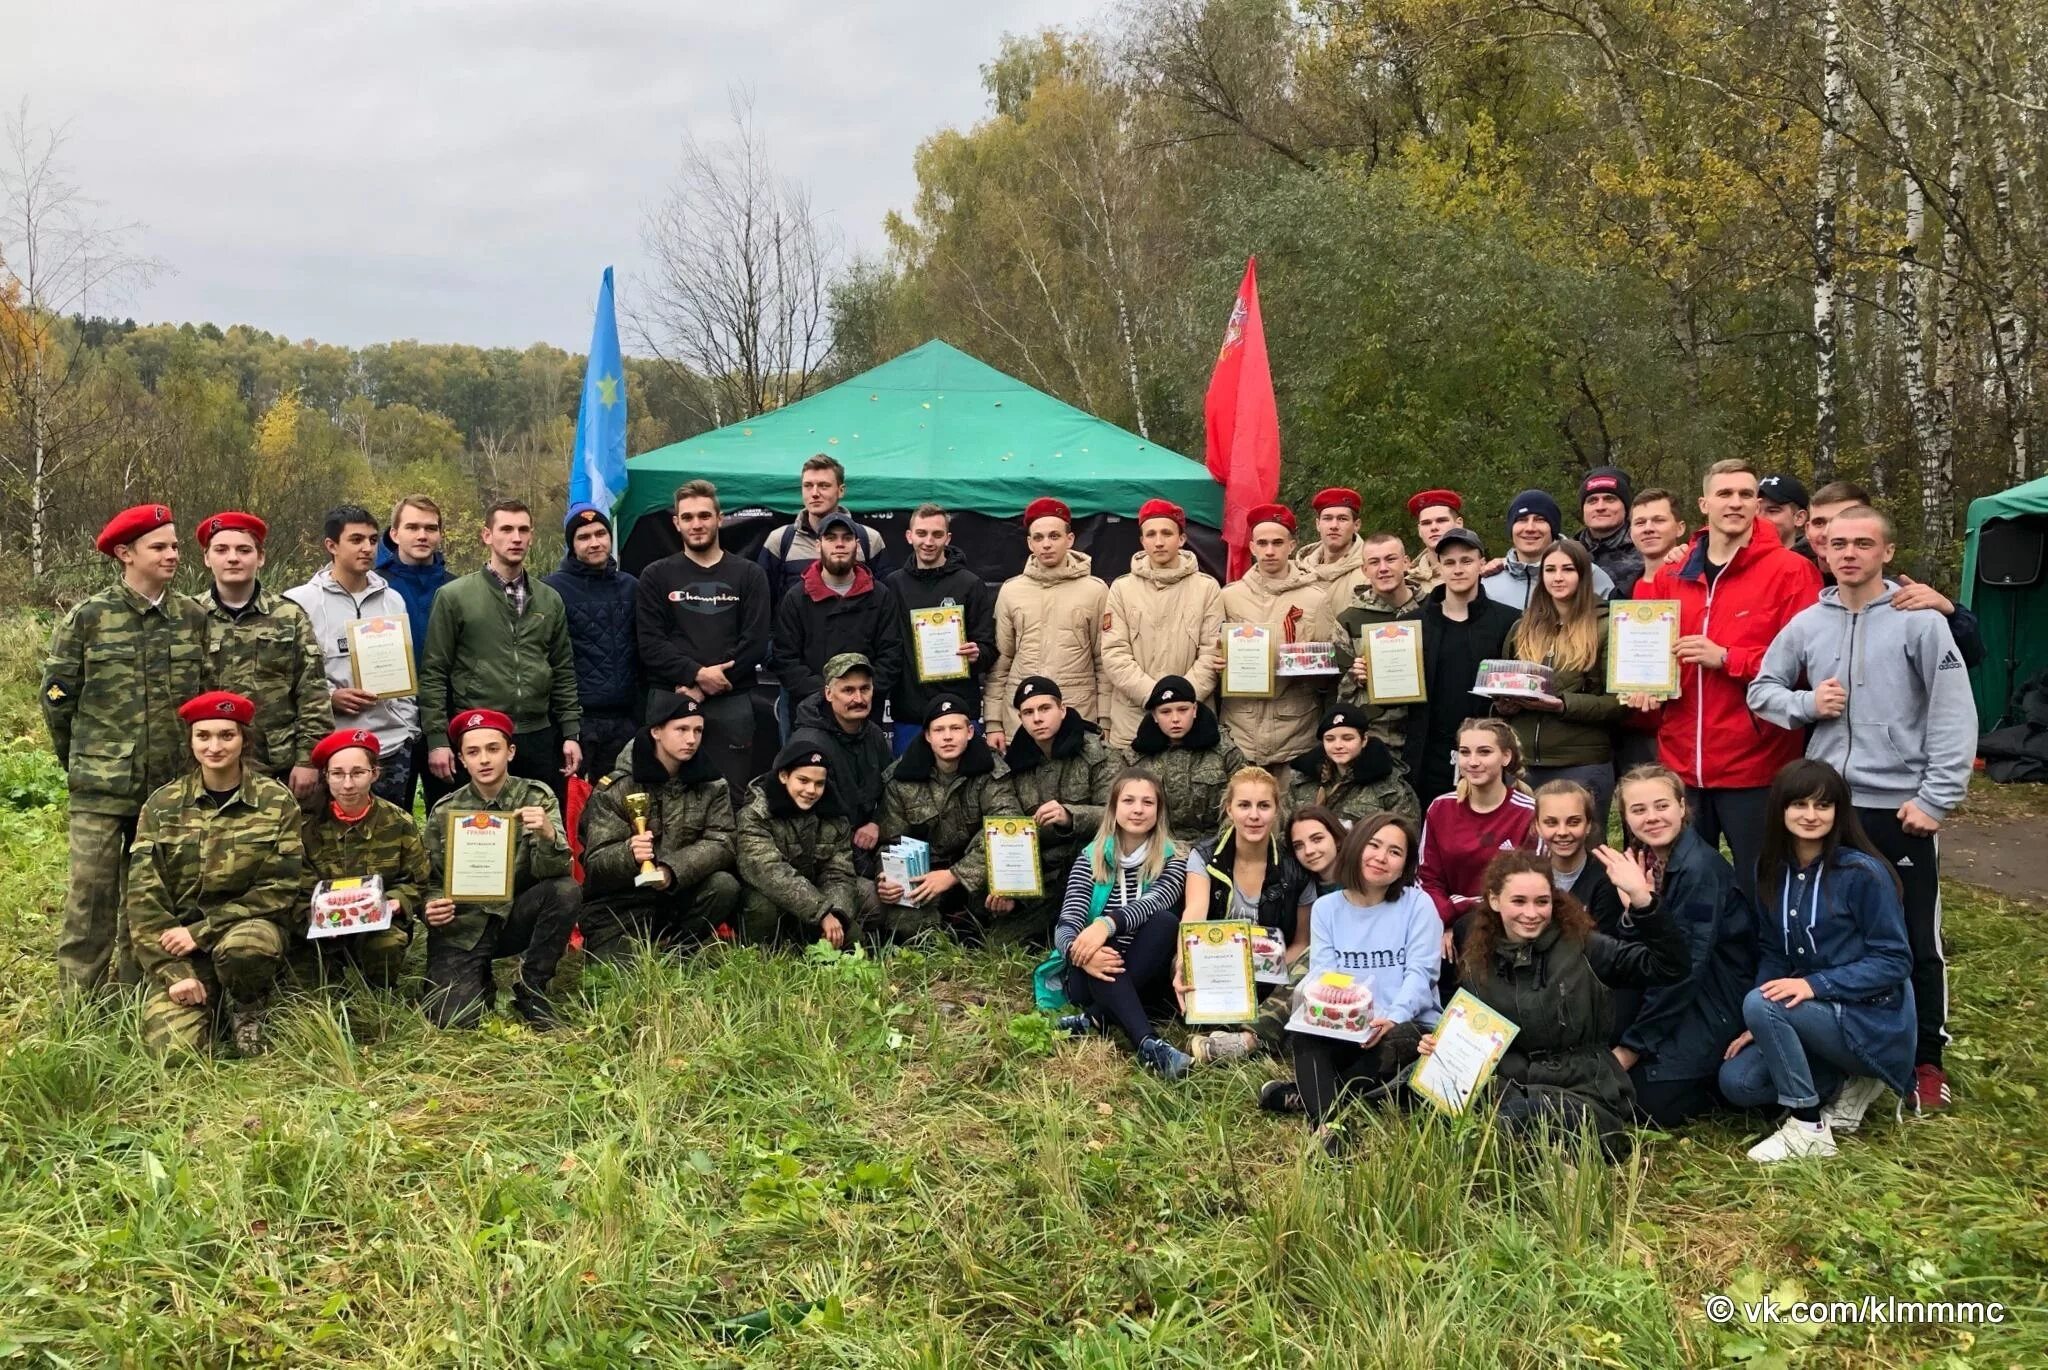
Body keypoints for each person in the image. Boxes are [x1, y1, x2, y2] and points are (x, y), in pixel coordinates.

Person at [1748, 504, 1976, 1112]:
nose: (1848, 554)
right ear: (1823, 552)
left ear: (1887, 552)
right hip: (1828, 805)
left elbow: (1955, 712)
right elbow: (1761, 689)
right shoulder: (1807, 622)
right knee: (1835, 929)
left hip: (1899, 808)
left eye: (1863, 544)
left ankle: (1925, 1060)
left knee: (1913, 936)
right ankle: (1847, 1046)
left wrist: (1936, 798)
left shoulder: (1920, 622)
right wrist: (1806, 703)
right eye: (1838, 544)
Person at [1625, 459, 1822, 896]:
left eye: (1745, 495)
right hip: (1680, 764)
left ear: (1757, 504)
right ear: (1704, 503)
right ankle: (1692, 965)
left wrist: (1729, 658)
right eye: (1725, 494)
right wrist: (1642, 686)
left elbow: (1806, 665)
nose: (1735, 503)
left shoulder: (1790, 571)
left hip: (1755, 764)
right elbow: (1650, 655)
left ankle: (1762, 964)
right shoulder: (1673, 574)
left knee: (1761, 884)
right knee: (1681, 886)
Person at [42, 504, 212, 992]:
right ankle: (79, 1004)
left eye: (175, 545)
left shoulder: (191, 617)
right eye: (159, 546)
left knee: (152, 895)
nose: (173, 555)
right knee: (91, 896)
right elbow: (57, 695)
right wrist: (77, 758)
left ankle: (146, 993)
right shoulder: (90, 618)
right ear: (125, 553)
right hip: (99, 788)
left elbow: (202, 696)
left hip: (166, 787)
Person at [1719, 759, 1916, 1161]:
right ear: (1780, 810)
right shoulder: (1768, 869)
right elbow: (1774, 950)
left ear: (1839, 812)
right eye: (1800, 805)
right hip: (1809, 1014)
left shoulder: (1863, 873)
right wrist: (1760, 1023)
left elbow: (1895, 961)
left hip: (1872, 1016)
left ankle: (1808, 1125)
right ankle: (1849, 1083)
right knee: (1738, 1083)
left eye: (1822, 806)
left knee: (1764, 1003)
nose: (1810, 816)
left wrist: (1811, 986)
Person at [1429, 849, 1685, 1158]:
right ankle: (1542, 1162)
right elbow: (1473, 1035)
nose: (1531, 913)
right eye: (1519, 901)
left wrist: (1644, 902)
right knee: (1434, 1095)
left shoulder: (1584, 947)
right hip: (1509, 1088)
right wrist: (1441, 1047)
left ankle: (1557, 1160)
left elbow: (1670, 967)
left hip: (1584, 1093)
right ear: (1495, 901)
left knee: (1514, 1122)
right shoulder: (1477, 957)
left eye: (1542, 901)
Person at [125, 691, 301, 1056]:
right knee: (172, 1052)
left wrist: (202, 931)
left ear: (244, 740)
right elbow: (144, 899)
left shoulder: (276, 802)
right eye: (203, 736)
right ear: (190, 742)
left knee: (246, 949)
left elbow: (280, 888)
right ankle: (206, 997)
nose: (215, 746)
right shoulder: (161, 806)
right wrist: (174, 973)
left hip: (245, 932)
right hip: (177, 946)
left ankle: (247, 1006)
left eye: (226, 735)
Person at [1266, 815, 1442, 1150]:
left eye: (1395, 852)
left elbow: (1421, 974)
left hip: (1405, 1024)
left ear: (1404, 864)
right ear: (1357, 845)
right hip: (1348, 1025)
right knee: (1305, 1030)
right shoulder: (1326, 908)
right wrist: (1338, 1017)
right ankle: (1332, 1128)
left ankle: (1307, 1095)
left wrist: (1391, 1017)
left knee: (1400, 1040)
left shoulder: (1418, 905)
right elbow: (1324, 975)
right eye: (1374, 845)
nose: (1381, 857)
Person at [1612, 764, 1756, 1127]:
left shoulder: (1699, 870)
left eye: (1661, 806)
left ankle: (1718, 1078)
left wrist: (1632, 1047)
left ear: (1681, 806)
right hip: (1672, 991)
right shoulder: (1645, 862)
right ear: (1626, 818)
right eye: (1639, 810)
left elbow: (1684, 968)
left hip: (1714, 997)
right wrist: (1635, 910)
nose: (1652, 818)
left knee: (1641, 1105)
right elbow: (1637, 950)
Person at [422, 709, 581, 1029]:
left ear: (510, 751)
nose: (484, 759)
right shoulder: (445, 811)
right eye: (473, 751)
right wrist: (429, 906)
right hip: (463, 925)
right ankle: (476, 977)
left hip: (514, 916)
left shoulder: (536, 796)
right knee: (455, 1021)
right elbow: (429, 879)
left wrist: (548, 835)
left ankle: (532, 987)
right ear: (462, 759)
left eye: (493, 749)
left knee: (565, 891)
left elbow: (557, 871)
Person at [421, 500, 582, 801]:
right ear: (487, 535)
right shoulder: (455, 596)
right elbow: (434, 672)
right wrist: (437, 738)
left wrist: (571, 732)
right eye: (506, 529)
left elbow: (562, 668)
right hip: (479, 732)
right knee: (482, 832)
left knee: (539, 827)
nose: (516, 538)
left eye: (523, 530)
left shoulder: (549, 599)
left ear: (532, 536)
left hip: (538, 733)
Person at [577, 693, 741, 962]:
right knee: (614, 982)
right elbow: (595, 863)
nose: (691, 739)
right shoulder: (617, 787)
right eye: (681, 729)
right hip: (622, 902)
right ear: (656, 731)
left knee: (723, 885)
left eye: (698, 730)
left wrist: (672, 870)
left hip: (679, 893)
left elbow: (722, 841)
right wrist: (629, 854)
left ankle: (680, 952)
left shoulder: (712, 784)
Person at [635, 480, 773, 796]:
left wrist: (705, 686)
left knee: (730, 796)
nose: (696, 524)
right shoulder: (655, 575)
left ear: (719, 518)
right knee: (666, 797)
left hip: (732, 700)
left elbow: (754, 643)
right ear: (676, 523)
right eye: (688, 517)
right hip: (672, 697)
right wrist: (696, 676)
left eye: (704, 516)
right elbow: (650, 643)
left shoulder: (749, 574)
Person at [1054, 770, 1192, 1078]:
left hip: (1146, 970)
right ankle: (1147, 1041)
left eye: (1148, 802)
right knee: (1102, 952)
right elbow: (1066, 924)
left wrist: (1107, 924)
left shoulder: (1174, 858)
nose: (1138, 809)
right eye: (1128, 800)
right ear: (1114, 809)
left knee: (1164, 922)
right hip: (1089, 972)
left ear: (1159, 811)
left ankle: (1093, 1021)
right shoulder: (1090, 858)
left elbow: (1157, 900)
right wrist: (1082, 954)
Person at [285, 506, 422, 809]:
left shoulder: (392, 599)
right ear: (331, 546)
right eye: (356, 539)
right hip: (330, 749)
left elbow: (406, 671)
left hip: (388, 747)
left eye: (373, 540)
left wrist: (409, 731)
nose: (367, 548)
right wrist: (330, 697)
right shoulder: (299, 603)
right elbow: (286, 677)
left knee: (387, 841)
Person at [1180, 766, 1313, 1063]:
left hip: (1270, 978)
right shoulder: (1204, 856)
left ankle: (1245, 1039)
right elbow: (1194, 915)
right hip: (1215, 973)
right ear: (1229, 808)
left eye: (1263, 806)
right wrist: (1182, 964)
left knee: (1315, 961)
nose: (1254, 815)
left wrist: (1262, 968)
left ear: (1276, 810)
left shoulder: (1295, 869)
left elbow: (1301, 944)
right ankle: (1243, 1034)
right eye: (1244, 805)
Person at [197, 511, 328, 797]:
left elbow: (313, 693)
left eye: (244, 550)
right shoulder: (190, 617)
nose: (233, 558)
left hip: (277, 762)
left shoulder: (288, 616)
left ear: (260, 557)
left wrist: (308, 759)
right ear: (207, 558)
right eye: (221, 550)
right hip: (208, 762)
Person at [1498, 539, 1621, 823]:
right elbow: (1506, 682)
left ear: (1583, 574)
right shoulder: (1523, 627)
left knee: (1582, 850)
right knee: (1526, 854)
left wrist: (1561, 705)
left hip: (1581, 762)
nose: (1558, 577)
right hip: (1524, 763)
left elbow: (1618, 704)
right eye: (1550, 570)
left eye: (1567, 569)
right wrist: (1504, 706)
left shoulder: (1606, 626)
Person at [877, 694, 1017, 940]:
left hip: (975, 875)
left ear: (971, 732)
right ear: (928, 736)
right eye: (939, 729)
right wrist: (888, 876)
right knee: (908, 928)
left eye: (955, 728)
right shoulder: (901, 778)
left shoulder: (991, 771)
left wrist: (954, 875)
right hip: (925, 876)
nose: (948, 736)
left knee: (1003, 921)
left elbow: (1009, 830)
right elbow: (892, 841)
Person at [298, 727, 427, 989]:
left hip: (376, 925)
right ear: (326, 776)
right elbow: (294, 884)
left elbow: (418, 880)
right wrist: (315, 915)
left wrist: (394, 902)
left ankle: (378, 992)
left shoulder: (398, 822)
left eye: (358, 773)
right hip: (321, 927)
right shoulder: (306, 826)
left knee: (386, 945)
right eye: (337, 774)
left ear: (374, 774)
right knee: (311, 987)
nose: (347, 784)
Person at [1807, 480, 1985, 666]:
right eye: (1819, 522)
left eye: (1844, 518)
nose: (1828, 531)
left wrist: (1951, 614)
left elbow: (1967, 657)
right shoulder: (1784, 576)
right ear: (1807, 528)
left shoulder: (1897, 591)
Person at [1215, 504, 1338, 767]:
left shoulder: (1315, 598)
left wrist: (1313, 664)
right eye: (1262, 543)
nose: (1270, 551)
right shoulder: (1229, 597)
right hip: (1240, 731)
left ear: (1292, 545)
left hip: (1297, 733)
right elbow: (1212, 652)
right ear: (1251, 547)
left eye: (1278, 542)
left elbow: (1331, 667)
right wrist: (1217, 662)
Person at [997, 677, 1116, 946]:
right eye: (1028, 712)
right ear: (1020, 719)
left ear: (1062, 710)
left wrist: (1071, 816)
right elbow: (1007, 827)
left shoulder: (1097, 752)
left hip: (1089, 863)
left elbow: (1118, 816)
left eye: (1045, 709)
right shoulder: (1014, 764)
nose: (1037, 718)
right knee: (1001, 937)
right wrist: (1003, 884)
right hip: (1037, 866)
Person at [983, 497, 1110, 750]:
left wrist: (1105, 718)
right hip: (1022, 715)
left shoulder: (1095, 591)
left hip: (1078, 712)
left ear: (1070, 539)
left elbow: (1103, 661)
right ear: (1030, 543)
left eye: (1054, 536)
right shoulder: (1012, 591)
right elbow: (1001, 660)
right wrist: (993, 721)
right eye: (1038, 538)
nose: (1046, 545)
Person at [1408, 530, 1522, 805]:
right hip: (1429, 756)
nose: (1458, 570)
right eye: (1449, 563)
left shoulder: (1509, 620)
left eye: (1466, 561)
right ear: (1439, 567)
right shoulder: (1413, 625)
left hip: (1489, 755)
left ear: (1481, 563)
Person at [1100, 498, 1223, 750]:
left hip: (1192, 719)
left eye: (1167, 533)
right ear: (1142, 541)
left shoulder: (1206, 588)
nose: (1158, 541)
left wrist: (1180, 702)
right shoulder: (1122, 589)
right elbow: (1114, 654)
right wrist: (1156, 698)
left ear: (1181, 538)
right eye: (1151, 534)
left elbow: (1212, 652)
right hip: (1134, 718)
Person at [735, 738, 869, 948]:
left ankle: (810, 942)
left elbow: (838, 872)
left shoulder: (834, 815)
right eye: (803, 780)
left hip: (815, 896)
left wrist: (836, 914)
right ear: (783, 776)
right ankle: (759, 955)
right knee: (761, 907)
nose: (811, 790)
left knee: (853, 935)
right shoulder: (755, 813)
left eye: (819, 784)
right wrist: (821, 912)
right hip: (769, 894)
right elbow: (768, 871)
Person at [885, 503, 995, 754]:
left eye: (937, 534)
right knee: (909, 788)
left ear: (948, 538)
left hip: (959, 712)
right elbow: (887, 645)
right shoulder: (893, 585)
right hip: (910, 714)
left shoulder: (970, 584)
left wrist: (978, 654)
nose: (928, 541)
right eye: (921, 533)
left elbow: (989, 647)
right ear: (909, 536)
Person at [543, 503, 640, 780]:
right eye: (584, 537)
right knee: (576, 807)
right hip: (578, 723)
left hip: (625, 721)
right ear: (572, 544)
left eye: (600, 534)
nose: (595, 543)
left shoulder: (631, 586)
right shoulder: (552, 590)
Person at [1417, 720, 1537, 940]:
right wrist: (1444, 923)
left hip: (1508, 927)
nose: (1472, 762)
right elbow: (1427, 878)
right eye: (1464, 752)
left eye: (1484, 752)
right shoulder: (1440, 808)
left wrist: (1459, 912)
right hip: (1445, 926)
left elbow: (1531, 886)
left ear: (1506, 757)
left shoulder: (1529, 813)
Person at [376, 494, 455, 809]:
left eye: (430, 528)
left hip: (447, 723)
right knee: (392, 819)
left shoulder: (456, 588)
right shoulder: (374, 589)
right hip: (391, 723)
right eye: (412, 527)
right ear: (394, 534)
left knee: (448, 817)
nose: (422, 535)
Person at [788, 654, 895, 876]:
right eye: (848, 690)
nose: (859, 698)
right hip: (823, 855)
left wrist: (877, 823)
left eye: (864, 689)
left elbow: (893, 788)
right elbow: (802, 821)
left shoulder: (873, 733)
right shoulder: (809, 743)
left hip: (868, 842)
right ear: (828, 693)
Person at [1616, 489, 1690, 775]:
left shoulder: (1698, 581)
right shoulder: (1622, 589)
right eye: (1640, 522)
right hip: (1631, 725)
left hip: (1681, 726)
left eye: (1658, 520)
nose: (1648, 528)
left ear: (1679, 528)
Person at [757, 453, 891, 608]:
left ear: (841, 490)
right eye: (808, 486)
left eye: (823, 485)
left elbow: (885, 603)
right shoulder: (779, 540)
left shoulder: (869, 539)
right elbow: (763, 604)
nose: (814, 493)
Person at [1335, 532, 1425, 761]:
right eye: (1374, 562)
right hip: (1377, 738)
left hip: (1428, 733)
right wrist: (1355, 677)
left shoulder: (1434, 609)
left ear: (1407, 562)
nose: (1383, 568)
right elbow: (1337, 692)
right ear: (1365, 570)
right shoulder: (1348, 620)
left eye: (1391, 559)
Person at [1123, 675, 1243, 845]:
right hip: (1154, 847)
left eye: (1182, 709)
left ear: (1194, 710)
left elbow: (1242, 804)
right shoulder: (1135, 757)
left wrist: (1215, 848)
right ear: (1154, 716)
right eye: (1165, 712)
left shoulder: (1225, 752)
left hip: (1213, 846)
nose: (1175, 719)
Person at [1284, 705, 1419, 825]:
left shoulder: (1392, 789)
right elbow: (1285, 838)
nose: (1338, 746)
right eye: (1330, 739)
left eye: (1347, 738)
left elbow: (1406, 840)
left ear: (1364, 739)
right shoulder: (1302, 783)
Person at [1482, 489, 1616, 610]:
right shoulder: (1488, 581)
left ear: (1553, 529)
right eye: (1522, 520)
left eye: (1540, 520)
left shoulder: (1587, 573)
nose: (1530, 528)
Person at [1532, 780, 1628, 935]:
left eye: (1574, 822)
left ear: (1588, 825)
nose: (1562, 832)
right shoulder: (1528, 874)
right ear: (1537, 826)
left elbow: (1606, 946)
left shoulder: (1608, 878)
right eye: (1551, 823)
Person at [1575, 467, 1645, 595]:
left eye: (1610, 499)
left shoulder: (1645, 550)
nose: (1600, 507)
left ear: (1626, 508)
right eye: (1592, 501)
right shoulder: (1566, 551)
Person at [1295, 486, 1369, 603]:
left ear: (1356, 525)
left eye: (1342, 519)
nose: (1334, 525)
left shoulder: (1371, 571)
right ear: (1318, 524)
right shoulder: (1298, 573)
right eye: (1327, 518)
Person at [1407, 489, 1466, 593]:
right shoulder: (1408, 586)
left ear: (1459, 523)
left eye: (1441, 520)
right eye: (1426, 523)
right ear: (1419, 530)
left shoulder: (1482, 573)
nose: (1433, 527)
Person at [1289, 805, 1350, 899]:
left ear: (1337, 839)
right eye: (1298, 846)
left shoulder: (1365, 881)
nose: (1308, 851)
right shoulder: (1298, 888)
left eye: (1317, 839)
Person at [1757, 473, 1816, 565]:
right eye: (1755, 510)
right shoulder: (1737, 562)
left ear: (1799, 518)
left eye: (1772, 511)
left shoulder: (1817, 566)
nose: (1760, 518)